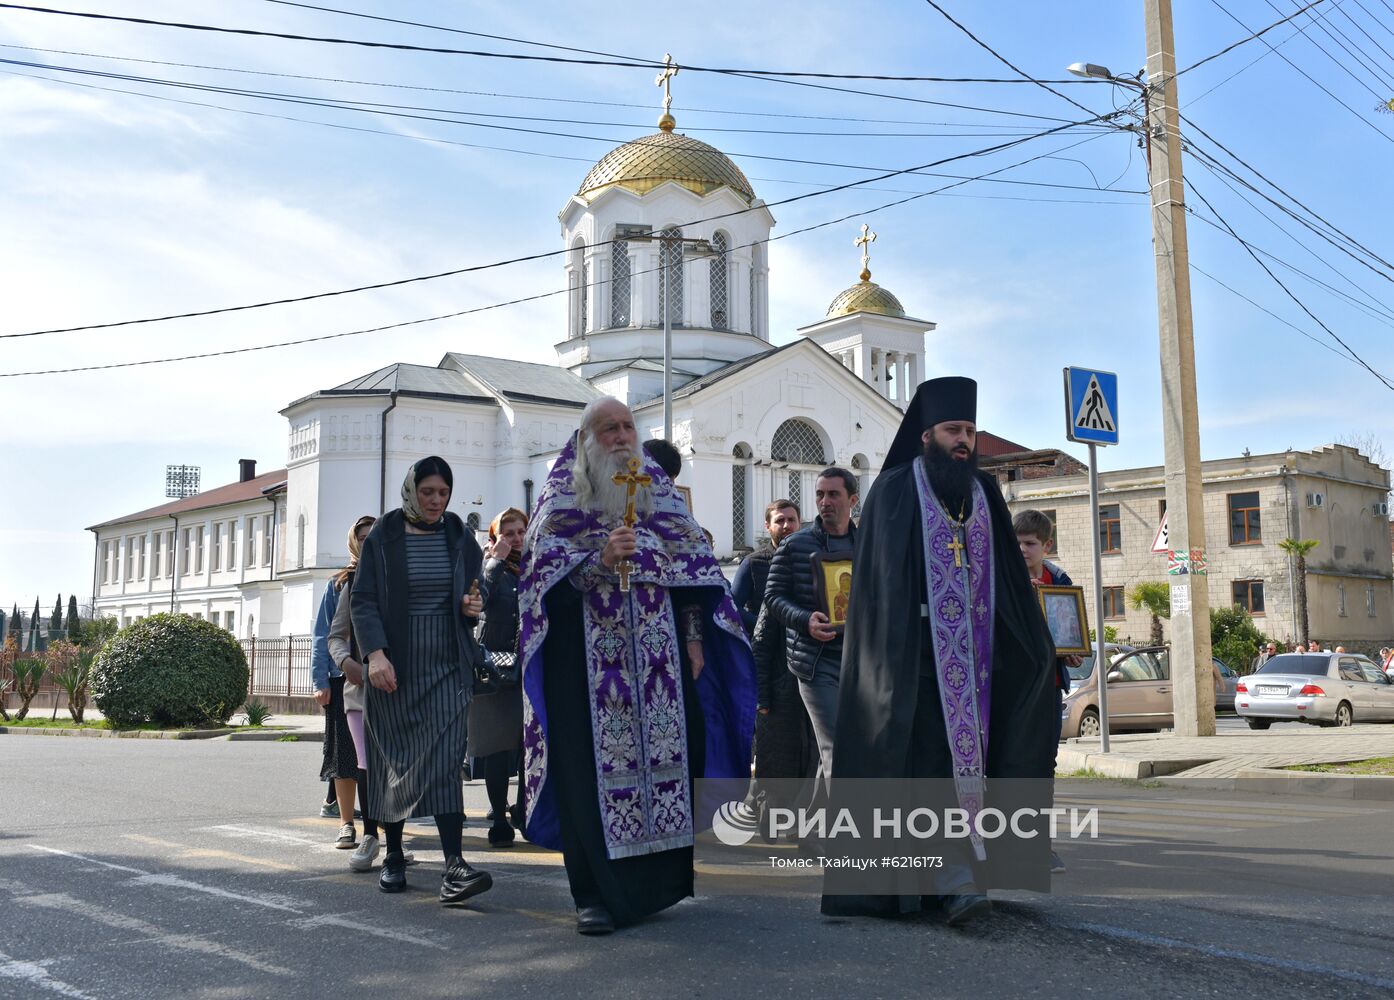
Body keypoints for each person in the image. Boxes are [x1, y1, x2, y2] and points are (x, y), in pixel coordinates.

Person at [518, 397, 755, 935]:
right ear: (586, 440)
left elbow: (697, 574)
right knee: (586, 776)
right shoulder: (560, 498)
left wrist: (694, 640)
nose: (622, 436)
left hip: (660, 665)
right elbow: (536, 588)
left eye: (628, 426)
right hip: (584, 668)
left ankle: (654, 889)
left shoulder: (659, 492)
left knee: (664, 768)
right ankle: (592, 895)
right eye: (609, 428)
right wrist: (597, 560)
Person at [824, 376, 1055, 926]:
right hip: (912, 662)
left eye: (971, 432)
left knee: (977, 765)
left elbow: (1007, 582)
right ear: (927, 434)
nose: (965, 442)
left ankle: (972, 870)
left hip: (976, 668)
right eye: (954, 430)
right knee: (928, 766)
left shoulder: (982, 494)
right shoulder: (896, 490)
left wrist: (1035, 650)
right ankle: (951, 877)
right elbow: (879, 589)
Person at [351, 456, 495, 905]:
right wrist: (375, 654)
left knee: (448, 760)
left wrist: (475, 603)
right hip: (396, 665)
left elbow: (476, 588)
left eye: (443, 493)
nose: (436, 501)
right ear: (412, 490)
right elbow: (364, 599)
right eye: (428, 492)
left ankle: (454, 865)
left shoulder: (458, 534)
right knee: (396, 760)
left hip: (449, 661)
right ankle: (394, 855)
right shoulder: (385, 534)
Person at [327, 516, 418, 874]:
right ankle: (369, 836)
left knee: (398, 766)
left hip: (404, 688)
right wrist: (346, 662)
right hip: (361, 691)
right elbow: (335, 636)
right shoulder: (351, 583)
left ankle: (394, 841)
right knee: (367, 763)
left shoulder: (411, 579)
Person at [765, 467, 858, 798]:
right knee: (839, 749)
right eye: (819, 494)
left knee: (830, 751)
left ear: (852, 500)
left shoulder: (869, 545)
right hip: (815, 663)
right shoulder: (794, 545)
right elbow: (773, 598)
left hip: (858, 662)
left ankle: (815, 836)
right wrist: (805, 620)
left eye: (833, 494)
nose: (825, 502)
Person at [1014, 508, 1079, 876]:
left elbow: (1070, 626)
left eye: (1029, 544)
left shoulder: (1059, 578)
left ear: (1046, 545)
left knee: (1044, 765)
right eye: (1017, 543)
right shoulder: (1001, 576)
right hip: (1010, 686)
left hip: (1049, 686)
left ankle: (1042, 844)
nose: (1022, 550)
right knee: (1007, 763)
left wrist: (1072, 652)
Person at [469, 507, 528, 848]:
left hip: (528, 666)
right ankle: (499, 816)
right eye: (508, 533)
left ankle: (522, 808)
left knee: (526, 746)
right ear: (494, 536)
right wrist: (495, 561)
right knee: (494, 745)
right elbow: (479, 601)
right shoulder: (486, 566)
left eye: (520, 532)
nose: (516, 539)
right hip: (493, 667)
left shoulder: (533, 566)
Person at [312, 523, 371, 850]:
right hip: (342, 680)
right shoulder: (339, 583)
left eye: (373, 537)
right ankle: (346, 823)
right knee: (344, 756)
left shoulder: (389, 576)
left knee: (374, 759)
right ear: (353, 543)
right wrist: (320, 680)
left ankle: (378, 826)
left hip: (380, 680)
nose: (368, 543)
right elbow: (324, 633)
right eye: (362, 539)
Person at [731, 500, 801, 635]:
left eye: (791, 520)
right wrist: (763, 627)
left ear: (799, 523)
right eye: (780, 520)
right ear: (767, 526)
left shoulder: (811, 558)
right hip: (766, 648)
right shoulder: (752, 563)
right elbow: (733, 607)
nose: (786, 525)